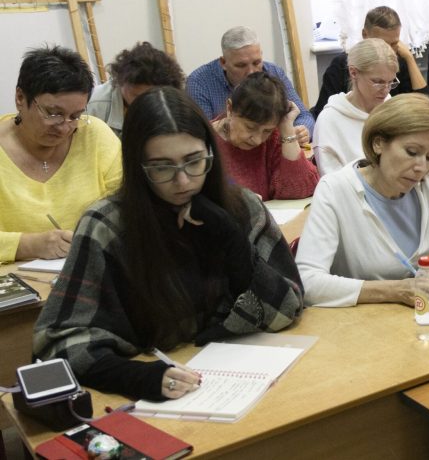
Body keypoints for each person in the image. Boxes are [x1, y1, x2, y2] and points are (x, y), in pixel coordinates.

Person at [33, 87, 304, 401]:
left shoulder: (241, 209)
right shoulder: (106, 224)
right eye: (162, 167)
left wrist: (233, 240)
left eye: (194, 161)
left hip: (246, 380)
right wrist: (133, 376)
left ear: (211, 153)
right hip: (158, 392)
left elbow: (289, 306)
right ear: (138, 167)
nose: (183, 182)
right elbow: (56, 343)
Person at [296, 93, 429, 308]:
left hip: (415, 321)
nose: (421, 166)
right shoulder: (335, 190)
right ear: (378, 144)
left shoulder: (426, 187)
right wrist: (396, 290)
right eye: (412, 152)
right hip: (357, 327)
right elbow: (308, 282)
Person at [0, 46, 122, 263]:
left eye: (75, 115)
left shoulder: (94, 135)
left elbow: (128, 206)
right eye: (53, 113)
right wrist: (30, 245)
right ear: (20, 97)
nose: (64, 127)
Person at [186, 26, 314, 141]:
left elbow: (304, 116)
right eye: (241, 65)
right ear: (223, 63)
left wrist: (301, 130)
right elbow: (201, 136)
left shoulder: (274, 72)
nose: (251, 72)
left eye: (256, 62)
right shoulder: (199, 83)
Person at [211, 72, 319, 200]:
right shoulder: (205, 141)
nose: (257, 140)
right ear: (230, 108)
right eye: (250, 127)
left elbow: (302, 188)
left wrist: (287, 128)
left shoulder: (273, 138)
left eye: (266, 131)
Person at [310, 6, 429, 117]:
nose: (388, 50)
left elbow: (426, 108)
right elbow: (322, 112)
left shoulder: (399, 62)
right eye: (381, 43)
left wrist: (409, 58)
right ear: (365, 34)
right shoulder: (341, 65)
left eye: (394, 44)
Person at [313, 39, 398, 176]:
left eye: (391, 82)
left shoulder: (391, 108)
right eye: (378, 82)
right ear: (353, 73)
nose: (386, 90)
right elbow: (333, 182)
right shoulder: (329, 120)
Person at [86, 42, 185, 136]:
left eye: (151, 95)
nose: (144, 102)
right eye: (136, 95)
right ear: (121, 82)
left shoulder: (173, 101)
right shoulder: (94, 105)